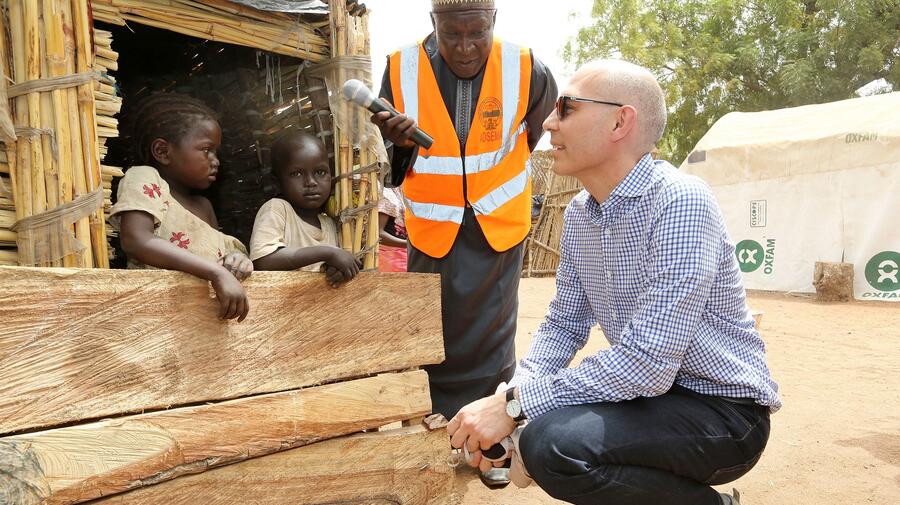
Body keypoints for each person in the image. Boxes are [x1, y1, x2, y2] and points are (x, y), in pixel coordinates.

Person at [446, 60, 781, 505]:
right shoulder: (580, 215)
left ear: (620, 122)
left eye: (566, 107)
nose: (548, 122)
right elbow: (563, 325)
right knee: (539, 430)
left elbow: (647, 362)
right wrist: (510, 406)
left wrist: (514, 406)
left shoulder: (680, 201)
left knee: (553, 445)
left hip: (723, 414)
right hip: (652, 399)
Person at [371, 0, 557, 486]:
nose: (466, 47)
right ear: (433, 23)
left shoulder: (526, 67)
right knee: (432, 335)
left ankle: (491, 448)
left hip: (496, 223)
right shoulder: (400, 68)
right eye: (452, 34)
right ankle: (434, 441)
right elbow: (387, 160)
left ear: (494, 20)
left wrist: (487, 177)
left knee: (494, 339)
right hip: (434, 228)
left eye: (477, 33)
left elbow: (534, 134)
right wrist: (400, 144)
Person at [110, 93, 252, 322]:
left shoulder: (204, 206)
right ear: (163, 151)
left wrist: (237, 261)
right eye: (206, 150)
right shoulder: (145, 177)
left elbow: (220, 253)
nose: (216, 160)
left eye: (216, 152)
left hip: (202, 321)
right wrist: (216, 272)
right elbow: (136, 240)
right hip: (154, 315)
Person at [250, 132, 361, 286]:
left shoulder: (330, 224)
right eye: (296, 174)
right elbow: (263, 260)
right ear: (277, 182)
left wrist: (335, 270)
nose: (311, 182)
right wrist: (327, 252)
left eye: (320, 172)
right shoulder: (277, 209)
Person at [377, 185, 408, 272]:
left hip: (401, 257)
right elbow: (378, 235)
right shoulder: (387, 196)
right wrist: (409, 245)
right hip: (390, 258)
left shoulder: (401, 193)